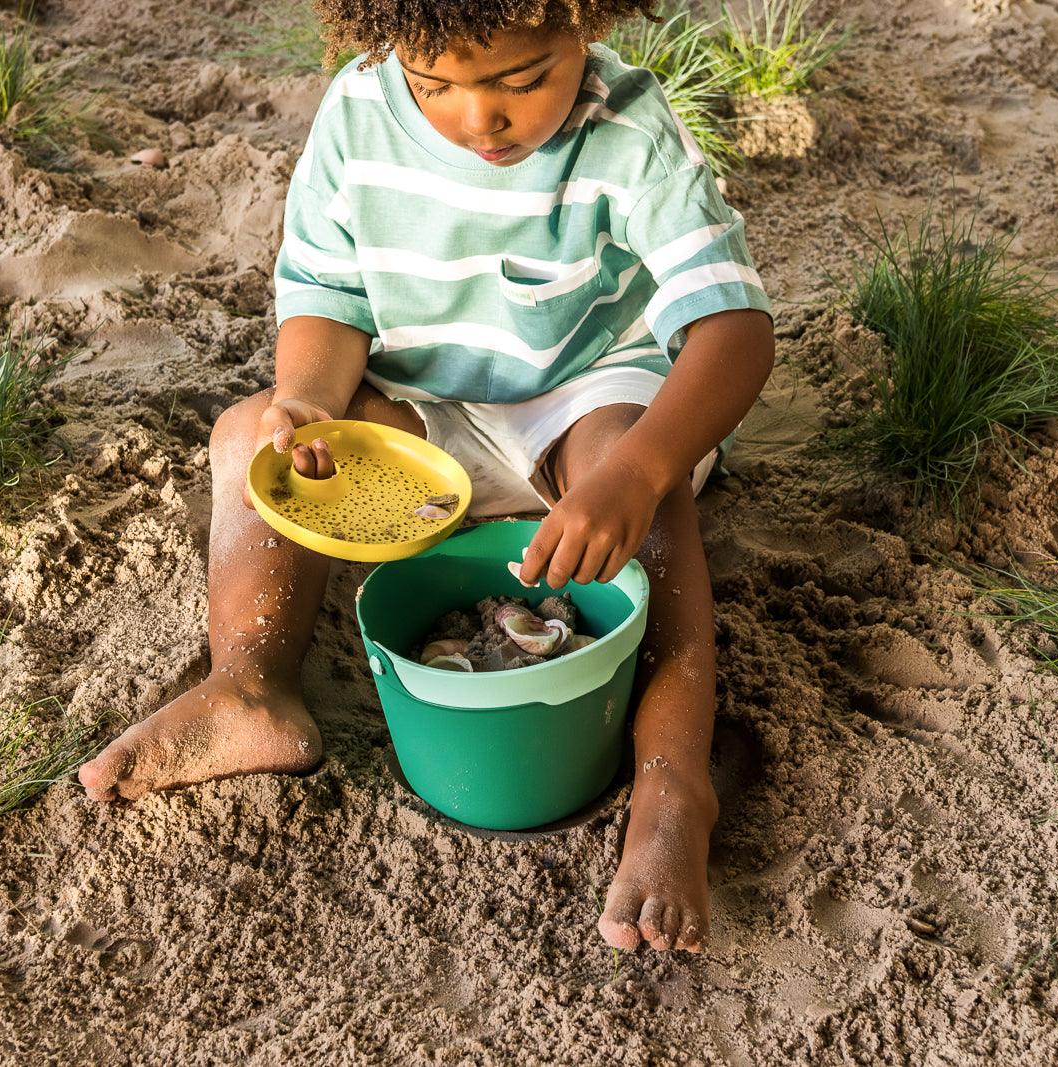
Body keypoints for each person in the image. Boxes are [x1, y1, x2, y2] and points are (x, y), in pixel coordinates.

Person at [79, 0, 775, 954]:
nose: (475, 121)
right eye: (433, 85)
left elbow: (734, 331)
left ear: (582, 22)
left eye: (521, 82)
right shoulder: (358, 114)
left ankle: (671, 776)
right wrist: (310, 399)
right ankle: (251, 685)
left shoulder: (628, 130)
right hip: (422, 415)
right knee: (250, 440)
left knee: (632, 476)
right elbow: (327, 296)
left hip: (591, 396)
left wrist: (644, 471)